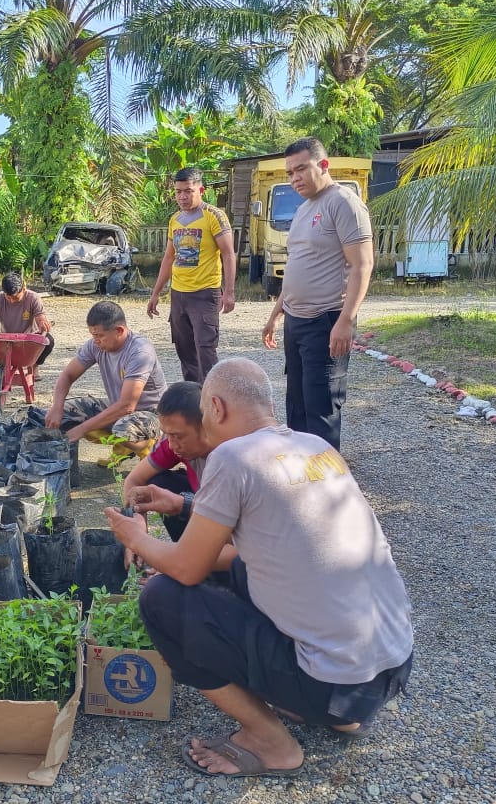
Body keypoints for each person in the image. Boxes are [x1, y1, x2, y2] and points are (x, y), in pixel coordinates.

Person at [105, 357, 413, 779]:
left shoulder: (232, 457)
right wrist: (181, 505)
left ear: (215, 407)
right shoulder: (316, 447)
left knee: (161, 598)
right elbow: (270, 551)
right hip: (388, 670)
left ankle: (272, 742)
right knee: (245, 571)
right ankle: (337, 713)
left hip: (330, 685)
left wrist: (136, 538)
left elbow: (187, 570)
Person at [261, 137, 373, 450]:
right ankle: (302, 474)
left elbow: (363, 265)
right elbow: (297, 265)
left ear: (323, 165)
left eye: (301, 169)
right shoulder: (303, 209)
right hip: (295, 322)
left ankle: (327, 485)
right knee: (296, 405)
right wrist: (274, 315)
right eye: (289, 173)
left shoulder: (343, 202)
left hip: (326, 320)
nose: (294, 177)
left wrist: (346, 321)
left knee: (321, 406)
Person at [148, 167, 237, 383]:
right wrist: (156, 293)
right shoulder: (175, 219)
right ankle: (192, 400)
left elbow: (228, 254)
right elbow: (169, 258)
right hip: (179, 295)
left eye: (188, 191)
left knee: (205, 350)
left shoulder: (214, 216)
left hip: (205, 294)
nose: (183, 197)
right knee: (185, 351)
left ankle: (212, 401)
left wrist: (230, 292)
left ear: (201, 190)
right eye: (178, 192)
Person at [45, 301, 165, 454]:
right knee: (67, 411)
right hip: (119, 408)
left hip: (152, 414)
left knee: (122, 429)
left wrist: (81, 429)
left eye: (100, 336)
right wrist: (57, 406)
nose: (96, 341)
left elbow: (126, 407)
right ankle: (124, 445)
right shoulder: (95, 345)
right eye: (93, 335)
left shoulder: (140, 352)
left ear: (119, 330)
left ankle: (148, 444)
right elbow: (67, 375)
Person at [120, 381, 210, 545]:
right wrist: (138, 526)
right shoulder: (173, 443)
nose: (171, 444)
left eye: (178, 436)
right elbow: (134, 481)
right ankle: (183, 545)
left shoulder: (231, 458)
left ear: (206, 426)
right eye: (167, 434)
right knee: (158, 483)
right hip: (203, 506)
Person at [0, 272, 54, 376]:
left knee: (49, 341)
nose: (12, 301)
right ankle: (4, 366)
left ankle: (34, 365)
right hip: (7, 339)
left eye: (15, 298)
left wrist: (43, 324)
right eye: (8, 298)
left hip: (29, 339)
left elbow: (40, 318)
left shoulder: (33, 298)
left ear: (24, 289)